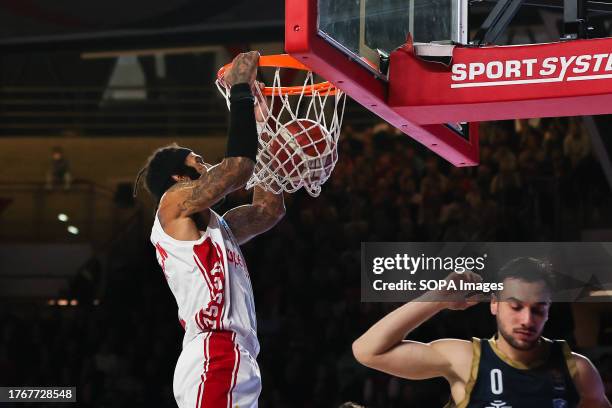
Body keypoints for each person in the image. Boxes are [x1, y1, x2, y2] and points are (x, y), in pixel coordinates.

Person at [134, 51, 285, 408]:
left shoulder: (220, 228)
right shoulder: (173, 203)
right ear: (178, 177)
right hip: (216, 351)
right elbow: (237, 168)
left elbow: (269, 210)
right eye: (198, 161)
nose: (209, 164)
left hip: (237, 355)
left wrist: (265, 126)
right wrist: (240, 92)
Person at [352, 257, 612, 408]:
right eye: (516, 306)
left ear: (549, 310)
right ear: (495, 304)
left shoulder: (578, 370)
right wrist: (438, 299)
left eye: (538, 309)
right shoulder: (464, 360)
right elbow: (367, 351)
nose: (527, 319)